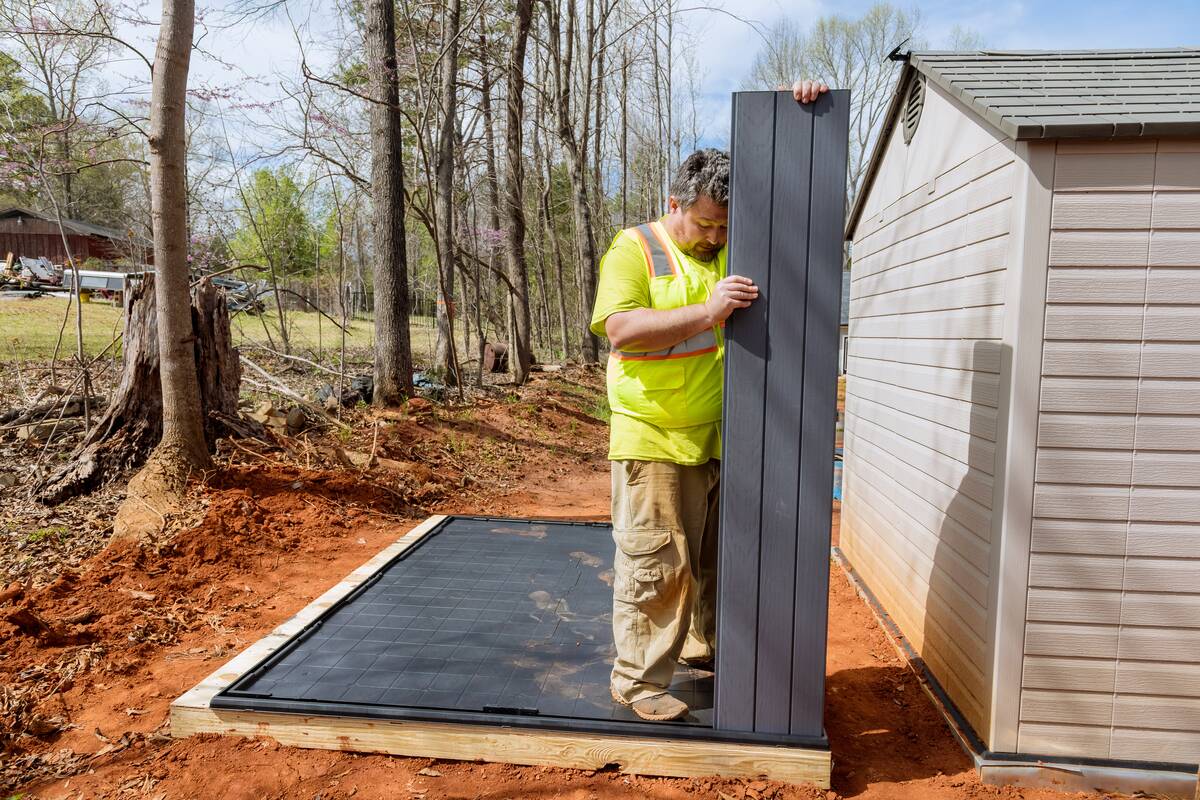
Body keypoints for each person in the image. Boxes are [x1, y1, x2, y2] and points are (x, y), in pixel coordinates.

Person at [590, 79, 830, 722]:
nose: (715, 235)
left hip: (723, 435)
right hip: (654, 435)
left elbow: (789, 198)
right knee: (658, 564)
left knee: (716, 563)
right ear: (675, 203)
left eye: (725, 225)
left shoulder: (730, 248)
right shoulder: (635, 249)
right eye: (705, 223)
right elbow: (620, 329)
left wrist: (793, 109)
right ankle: (637, 682)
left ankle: (698, 649)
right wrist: (707, 312)